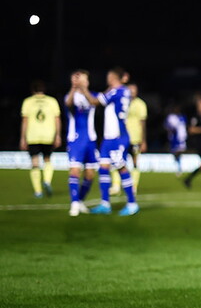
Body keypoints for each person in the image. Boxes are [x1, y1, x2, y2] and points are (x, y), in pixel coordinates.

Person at [76, 67, 139, 216]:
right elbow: (104, 96)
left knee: (121, 167)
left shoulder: (117, 92)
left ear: (112, 78)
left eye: (109, 76)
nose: (107, 78)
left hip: (118, 137)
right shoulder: (120, 91)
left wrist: (83, 88)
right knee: (103, 168)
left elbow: (94, 101)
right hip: (109, 138)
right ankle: (105, 204)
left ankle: (132, 203)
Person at [64, 70, 101, 216]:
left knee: (90, 174)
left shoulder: (93, 96)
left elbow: (94, 102)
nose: (82, 82)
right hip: (76, 139)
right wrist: (74, 87)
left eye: (84, 79)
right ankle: (74, 203)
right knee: (75, 171)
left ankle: (79, 200)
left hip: (90, 139)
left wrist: (83, 88)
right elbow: (68, 103)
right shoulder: (71, 96)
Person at [20, 80, 62, 198]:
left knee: (35, 163)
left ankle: (38, 191)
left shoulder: (27, 102)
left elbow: (25, 120)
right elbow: (57, 119)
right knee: (47, 159)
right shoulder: (52, 101)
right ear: (44, 90)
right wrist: (58, 135)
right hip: (48, 135)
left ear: (33, 90)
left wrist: (22, 138)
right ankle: (47, 181)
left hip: (32, 136)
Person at [111, 82, 147, 194]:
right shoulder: (122, 103)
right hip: (121, 137)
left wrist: (143, 140)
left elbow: (143, 123)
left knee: (135, 162)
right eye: (130, 90)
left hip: (135, 138)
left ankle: (133, 186)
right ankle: (116, 185)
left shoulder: (140, 104)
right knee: (117, 161)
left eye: (134, 90)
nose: (132, 92)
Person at [164, 104, 188, 176]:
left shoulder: (182, 117)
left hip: (181, 138)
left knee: (179, 152)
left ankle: (178, 167)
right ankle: (178, 167)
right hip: (174, 139)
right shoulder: (171, 117)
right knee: (176, 152)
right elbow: (167, 126)